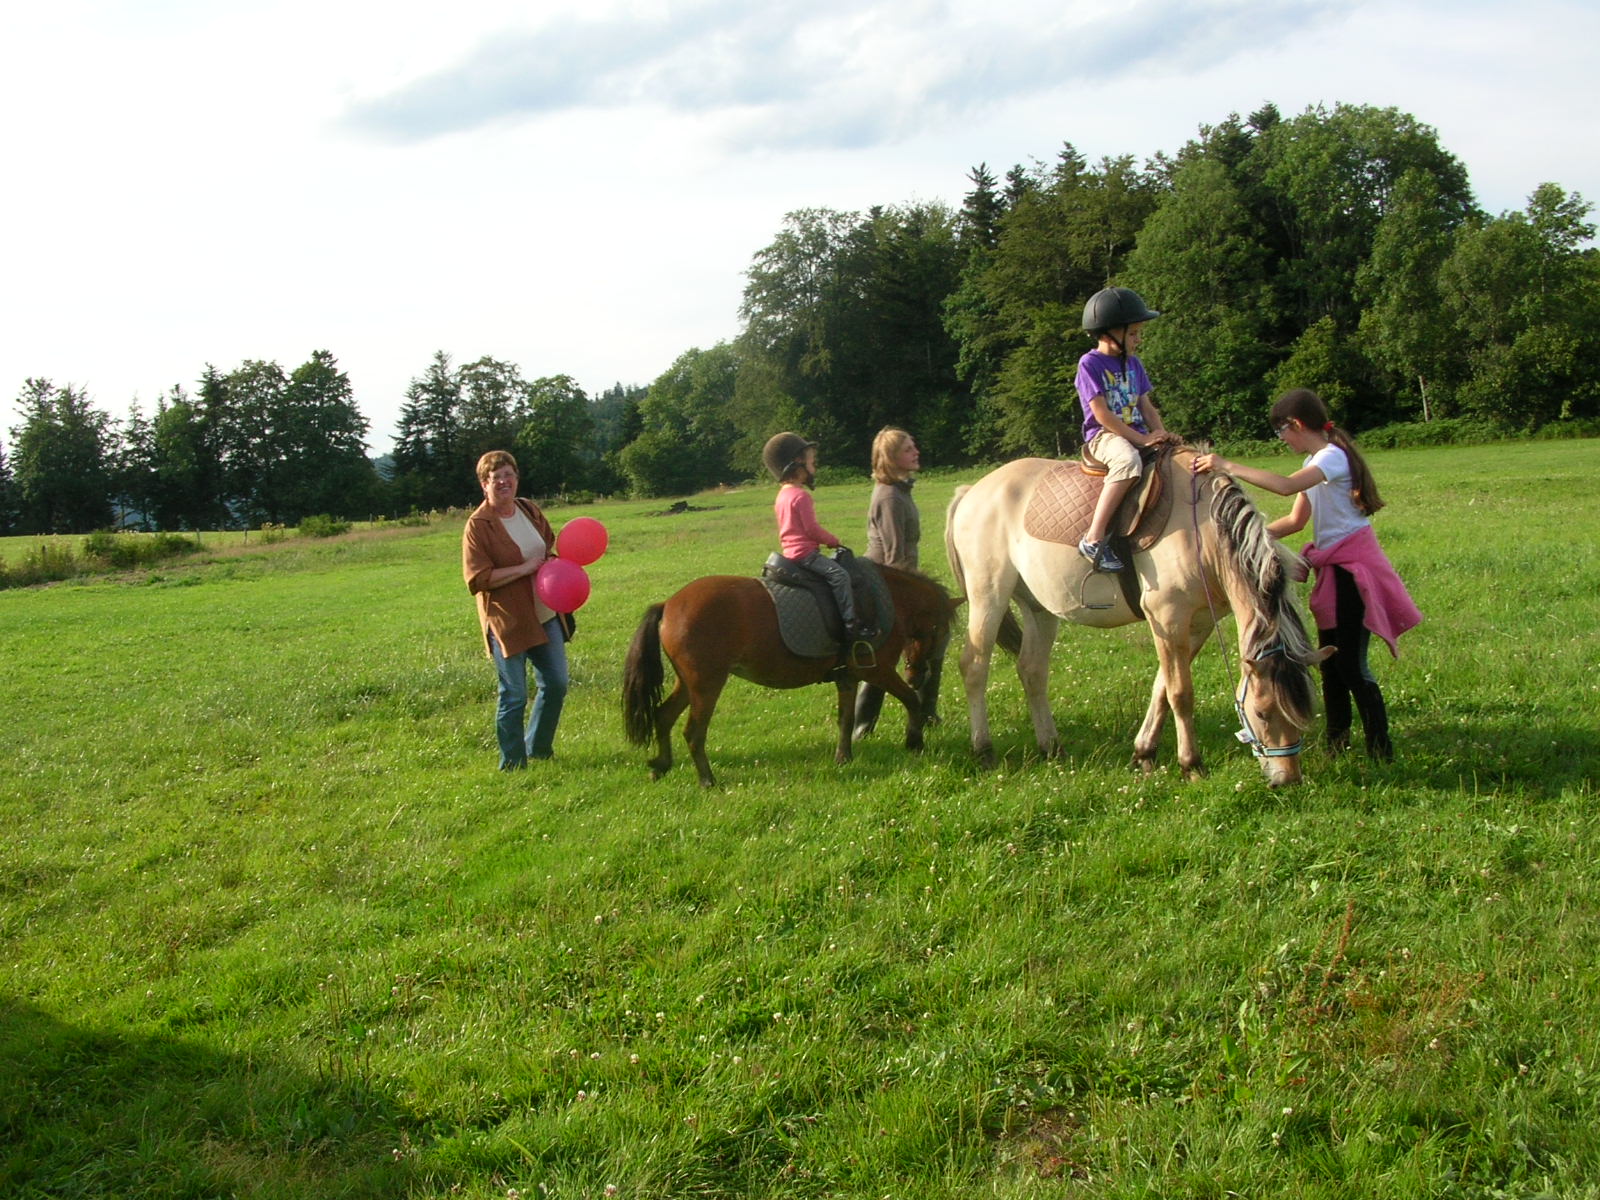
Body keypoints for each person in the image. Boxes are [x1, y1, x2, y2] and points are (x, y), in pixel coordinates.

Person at [1192, 388, 1421, 760]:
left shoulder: (1332, 457)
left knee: (1351, 665)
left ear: (1296, 424)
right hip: (1335, 571)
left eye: (1280, 431)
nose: (1281, 439)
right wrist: (1244, 540)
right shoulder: (1317, 461)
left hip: (1353, 571)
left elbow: (1285, 488)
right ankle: (1337, 743)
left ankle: (1381, 749)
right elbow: (1296, 521)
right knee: (1329, 663)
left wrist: (1226, 465)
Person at [462, 450, 571, 770]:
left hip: (545, 614)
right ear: (484, 485)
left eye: (508, 475)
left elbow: (547, 545)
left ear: (517, 478)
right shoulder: (478, 525)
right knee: (514, 695)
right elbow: (477, 579)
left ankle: (538, 747)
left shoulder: (528, 509)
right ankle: (512, 763)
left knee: (556, 684)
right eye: (495, 478)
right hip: (508, 621)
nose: (503, 482)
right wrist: (523, 569)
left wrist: (552, 564)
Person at [1075, 286, 1177, 572]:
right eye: (1133, 333)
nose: (1138, 339)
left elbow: (1146, 406)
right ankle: (1093, 538)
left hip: (1137, 433)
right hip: (1105, 436)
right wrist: (1142, 439)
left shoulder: (1134, 364)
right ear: (1110, 333)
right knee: (1128, 461)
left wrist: (1162, 435)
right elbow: (1102, 414)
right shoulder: (1090, 364)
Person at [764, 431, 875, 649]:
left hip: (789, 553)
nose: (814, 465)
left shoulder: (782, 495)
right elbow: (811, 530)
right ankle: (851, 623)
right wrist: (832, 540)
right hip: (806, 554)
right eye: (811, 461)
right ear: (797, 462)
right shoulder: (801, 495)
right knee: (840, 575)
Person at [854, 427, 922, 739]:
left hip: (896, 579)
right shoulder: (890, 497)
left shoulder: (900, 490)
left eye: (913, 446)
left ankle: (926, 713)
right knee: (884, 656)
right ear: (892, 458)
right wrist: (909, 597)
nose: (916, 452)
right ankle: (862, 726)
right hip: (884, 582)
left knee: (928, 643)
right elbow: (895, 556)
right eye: (908, 449)